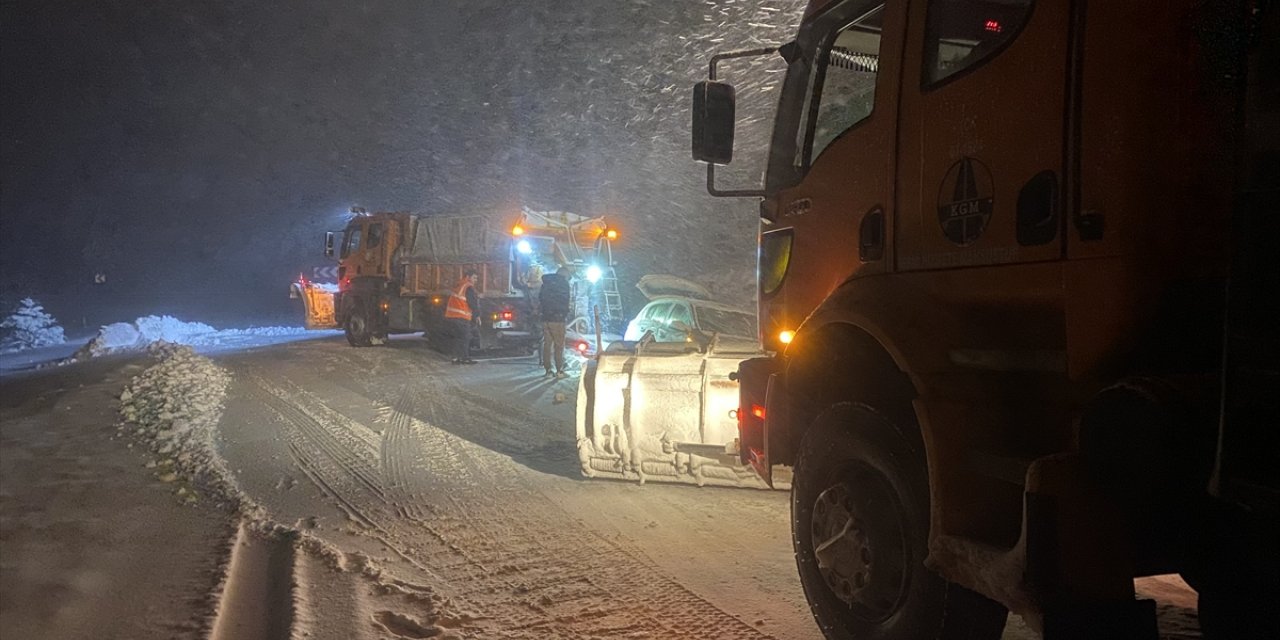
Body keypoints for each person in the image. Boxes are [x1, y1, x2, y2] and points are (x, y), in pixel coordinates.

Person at [538, 266, 572, 378]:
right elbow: (565, 300)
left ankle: (548, 370)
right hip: (558, 319)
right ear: (565, 275)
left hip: (545, 318)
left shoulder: (546, 283)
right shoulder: (563, 284)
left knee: (547, 345)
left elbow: (540, 298)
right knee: (559, 345)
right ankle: (560, 370)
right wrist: (565, 312)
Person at [444, 270, 479, 364]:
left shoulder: (459, 285)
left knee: (458, 337)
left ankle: (456, 358)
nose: (476, 280)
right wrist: (477, 315)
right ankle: (464, 358)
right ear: (468, 277)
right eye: (474, 278)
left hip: (452, 315)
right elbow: (472, 303)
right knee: (465, 337)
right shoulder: (468, 287)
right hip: (461, 316)